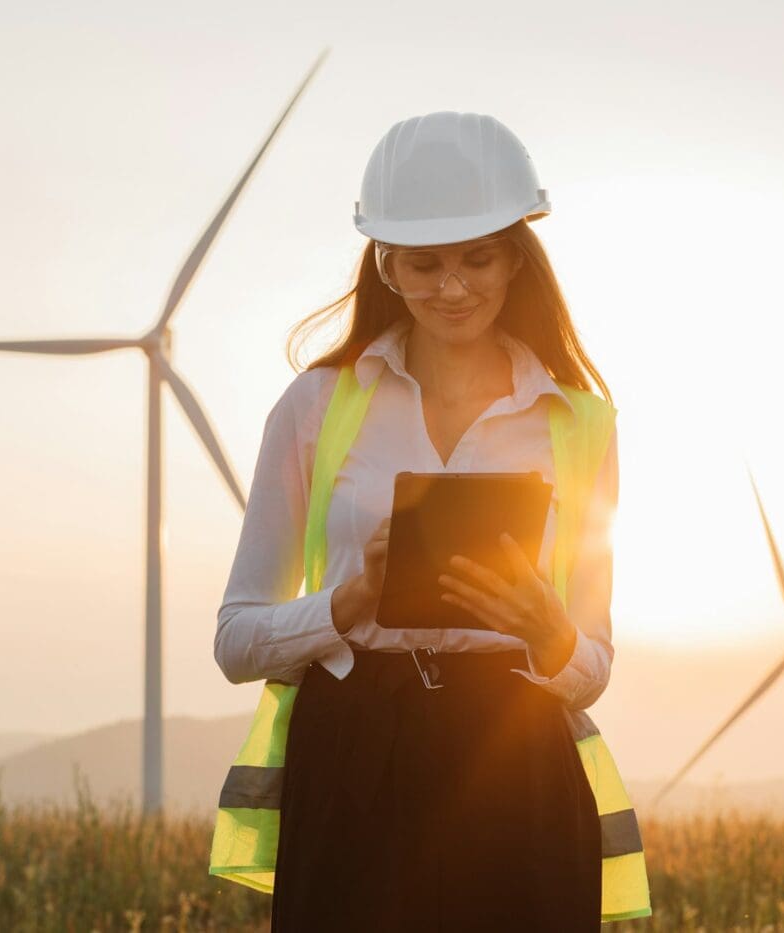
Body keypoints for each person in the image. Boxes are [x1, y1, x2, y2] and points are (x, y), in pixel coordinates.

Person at [210, 111, 650, 931]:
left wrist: (546, 629)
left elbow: (591, 666)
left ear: (517, 257)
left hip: (516, 763)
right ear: (385, 263)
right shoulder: (314, 407)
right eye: (425, 263)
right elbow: (236, 640)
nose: (454, 287)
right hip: (354, 760)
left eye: (478, 258)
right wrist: (351, 599)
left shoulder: (583, 424)